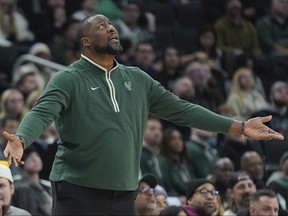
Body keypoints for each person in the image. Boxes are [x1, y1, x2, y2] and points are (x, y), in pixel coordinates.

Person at [2, 14, 284, 215]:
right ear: (86, 41)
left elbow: (182, 110)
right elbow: (41, 112)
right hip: (78, 189)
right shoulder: (68, 78)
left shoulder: (137, 78)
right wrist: (22, 139)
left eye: (112, 25)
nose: (112, 29)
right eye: (103, 26)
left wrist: (239, 126)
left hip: (125, 190)